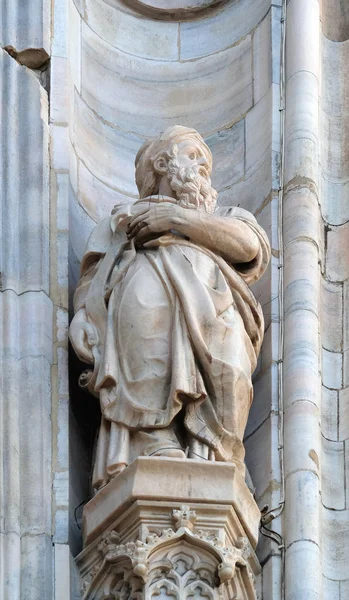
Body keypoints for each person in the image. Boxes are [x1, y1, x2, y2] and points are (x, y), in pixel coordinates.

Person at [69, 126, 270, 490]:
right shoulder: (124, 217)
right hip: (144, 303)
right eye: (193, 155)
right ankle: (153, 441)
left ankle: (212, 452)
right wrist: (83, 315)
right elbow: (94, 274)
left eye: (205, 162)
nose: (202, 166)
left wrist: (177, 221)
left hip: (217, 310)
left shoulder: (225, 215)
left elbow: (250, 247)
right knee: (150, 348)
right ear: (162, 163)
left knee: (231, 370)